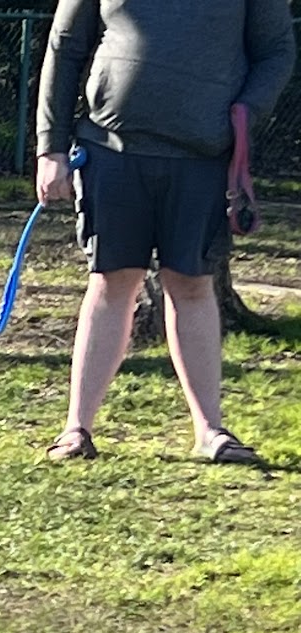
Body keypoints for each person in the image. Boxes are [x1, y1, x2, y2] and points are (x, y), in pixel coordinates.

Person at [35, 0, 294, 464]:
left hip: (203, 158)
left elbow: (275, 51)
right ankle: (76, 429)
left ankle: (210, 432)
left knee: (192, 284)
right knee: (112, 281)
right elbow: (65, 46)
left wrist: (243, 115)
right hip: (110, 150)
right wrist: (49, 146)